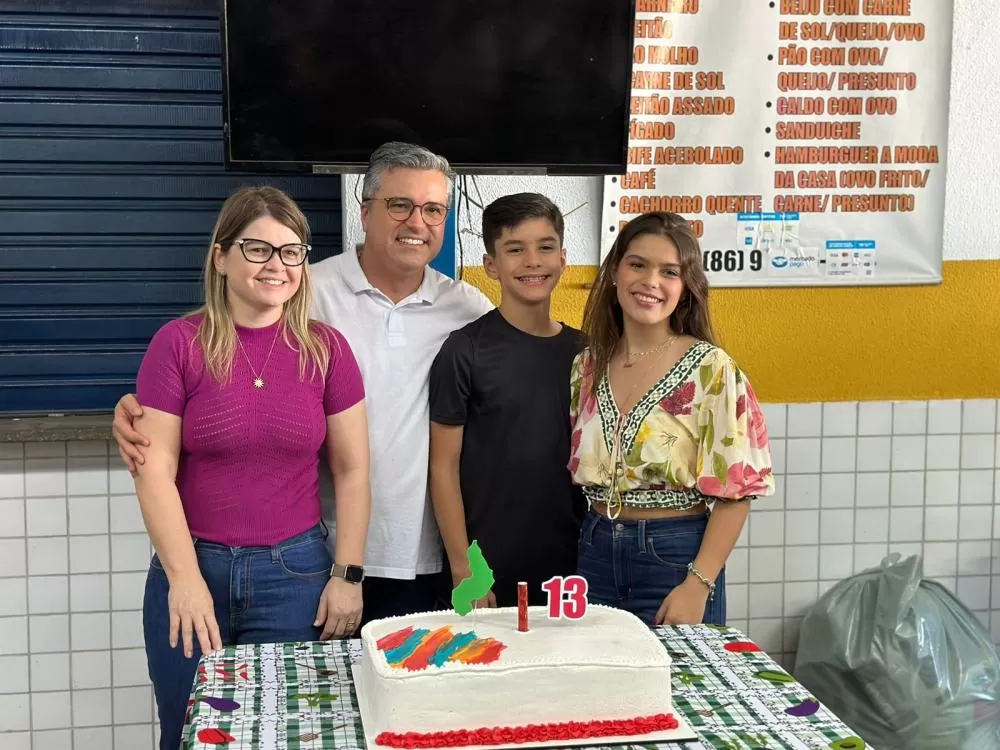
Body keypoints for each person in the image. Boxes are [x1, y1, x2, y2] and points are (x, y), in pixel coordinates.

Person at [113, 143, 494, 626]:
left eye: (434, 209)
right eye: (399, 204)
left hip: (422, 551)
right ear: (366, 211)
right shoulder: (303, 288)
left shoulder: (468, 309)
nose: (417, 222)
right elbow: (222, 357)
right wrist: (134, 409)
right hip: (320, 558)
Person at [129, 186, 371, 749]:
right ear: (221, 256)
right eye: (257, 248)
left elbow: (354, 471)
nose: (277, 265)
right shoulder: (179, 345)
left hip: (296, 579)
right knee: (194, 734)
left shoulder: (327, 350)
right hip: (193, 568)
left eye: (291, 252)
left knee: (288, 736)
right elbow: (153, 470)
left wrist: (347, 575)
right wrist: (184, 581)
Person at [569, 211, 774, 627]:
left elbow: (737, 493)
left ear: (686, 288)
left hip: (673, 559)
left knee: (676, 688)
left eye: (669, 272)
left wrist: (698, 584)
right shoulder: (586, 367)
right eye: (638, 264)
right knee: (602, 689)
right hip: (596, 551)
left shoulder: (711, 369)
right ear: (614, 271)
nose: (651, 282)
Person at [428, 193, 586, 608]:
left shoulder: (586, 353)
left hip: (573, 568)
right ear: (491, 266)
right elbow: (442, 467)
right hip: (487, 569)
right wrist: (465, 569)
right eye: (515, 249)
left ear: (563, 258)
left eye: (545, 247)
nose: (533, 261)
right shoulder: (464, 350)